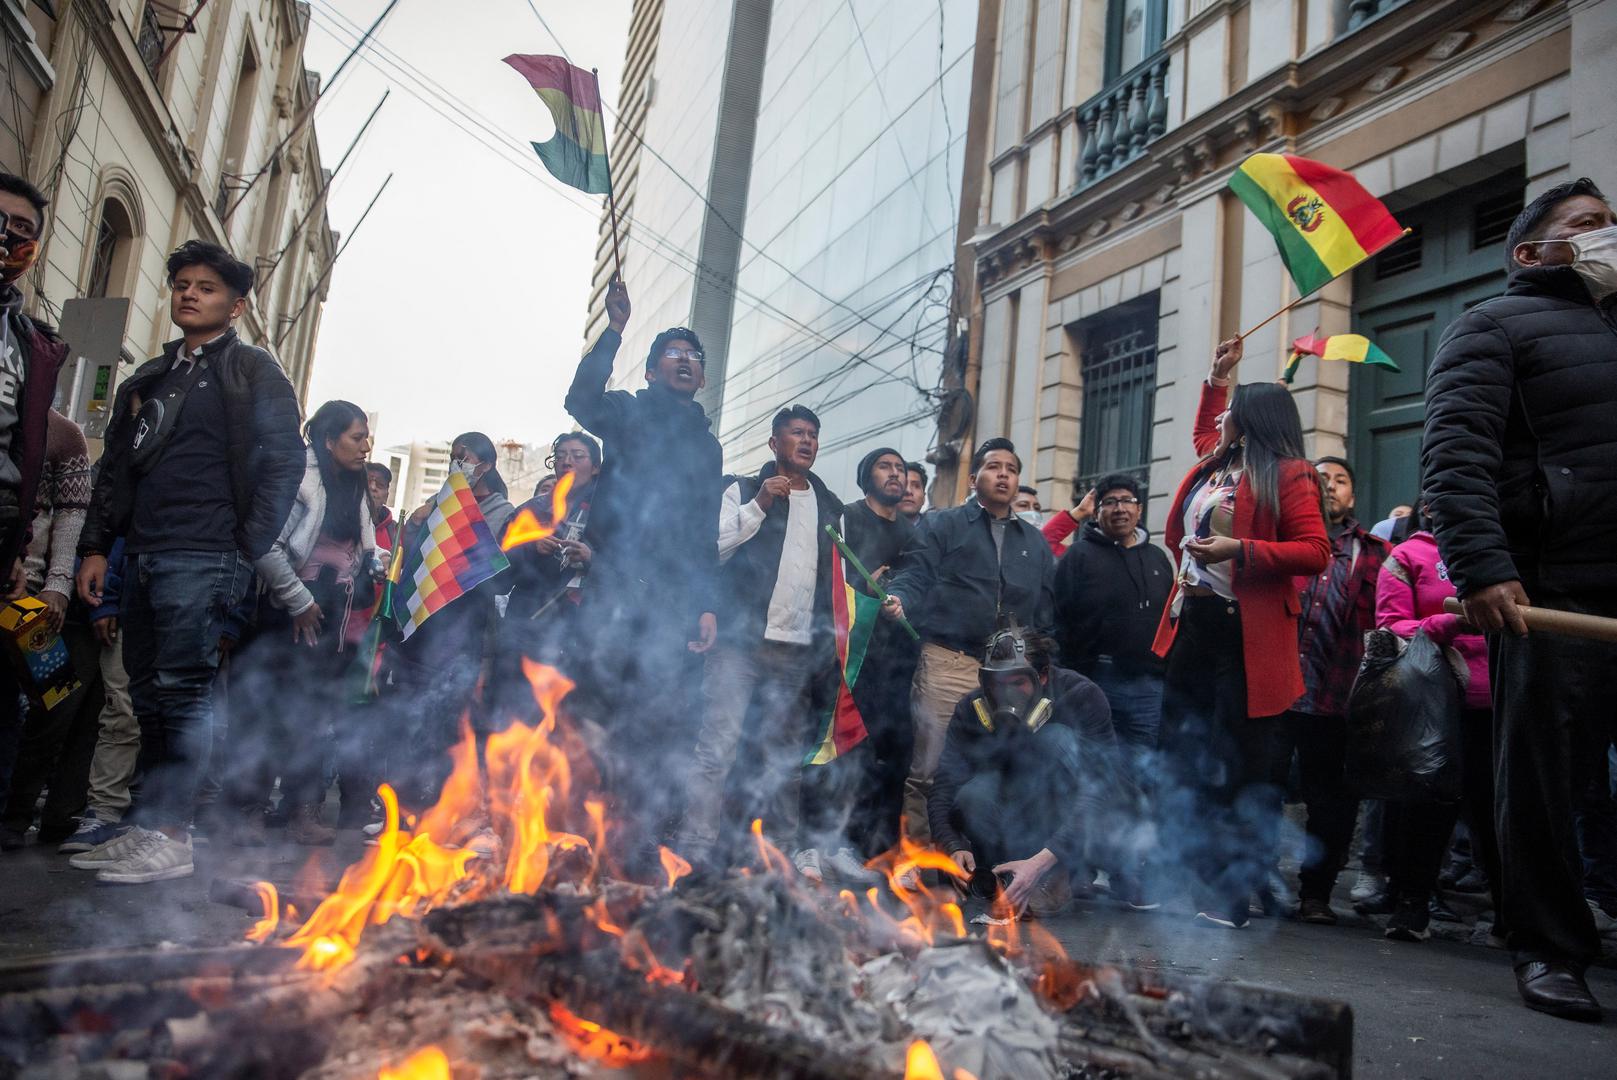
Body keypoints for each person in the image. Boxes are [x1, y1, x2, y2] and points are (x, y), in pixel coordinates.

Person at [1420, 177, 1617, 1021]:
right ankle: (1548, 947)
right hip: (1549, 591)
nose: (1609, 235)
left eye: (1612, 223)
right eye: (1589, 225)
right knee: (1542, 778)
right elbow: (1454, 457)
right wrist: (1482, 569)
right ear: (1531, 251)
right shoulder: (1490, 326)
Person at [71, 240, 303, 885]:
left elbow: (286, 460)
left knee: (184, 692)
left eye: (206, 286)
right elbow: (115, 471)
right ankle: (149, 821)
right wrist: (96, 547)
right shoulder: (148, 376)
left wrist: (247, 541)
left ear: (235, 304)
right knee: (147, 695)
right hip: (144, 550)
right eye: (181, 284)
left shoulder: (253, 370)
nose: (189, 294)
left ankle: (174, 833)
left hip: (206, 554)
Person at [1151, 338, 1329, 929]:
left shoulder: (1290, 473)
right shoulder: (1216, 463)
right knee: (1186, 760)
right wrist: (1216, 376)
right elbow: (1205, 429)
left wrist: (1240, 549)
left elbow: (1315, 552)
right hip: (1193, 629)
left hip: (1244, 640)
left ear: (1253, 423)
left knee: (1240, 768)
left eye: (1231, 412)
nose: (1221, 420)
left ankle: (1232, 896)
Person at [563, 280, 722, 870]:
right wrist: (615, 330)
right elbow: (580, 399)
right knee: (602, 712)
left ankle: (643, 844)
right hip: (615, 586)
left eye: (694, 359)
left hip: (675, 601)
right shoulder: (626, 414)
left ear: (701, 379)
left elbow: (706, 530)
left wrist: (706, 605)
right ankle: (582, 833)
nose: (686, 362)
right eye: (674, 356)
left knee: (665, 721)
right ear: (653, 371)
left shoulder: (709, 448)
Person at [677, 406, 841, 872]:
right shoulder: (744, 489)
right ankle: (696, 847)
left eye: (812, 434)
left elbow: (837, 577)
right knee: (718, 748)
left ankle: (779, 851)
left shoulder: (829, 505)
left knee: (784, 758)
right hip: (740, 643)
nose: (806, 441)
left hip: (795, 650)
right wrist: (761, 504)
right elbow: (715, 547)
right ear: (774, 444)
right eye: (796, 433)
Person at [883, 438, 1056, 842]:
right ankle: (922, 867)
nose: (1004, 476)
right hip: (950, 659)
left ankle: (980, 867)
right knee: (931, 766)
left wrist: (1045, 669)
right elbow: (916, 573)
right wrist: (901, 599)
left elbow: (1047, 613)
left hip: (1013, 674)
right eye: (994, 467)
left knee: (999, 769)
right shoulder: (943, 524)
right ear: (975, 476)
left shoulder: (1034, 543)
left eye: (1011, 470)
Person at [225, 401, 377, 847]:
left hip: (333, 615)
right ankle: (247, 811)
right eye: (356, 437)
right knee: (265, 715)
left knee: (312, 717)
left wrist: (377, 561)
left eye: (366, 437)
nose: (365, 446)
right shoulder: (299, 477)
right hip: (286, 614)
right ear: (328, 440)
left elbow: (359, 546)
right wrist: (298, 601)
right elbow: (265, 546)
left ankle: (303, 811)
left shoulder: (357, 486)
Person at [928, 626, 1130, 917]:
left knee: (1055, 739)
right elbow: (944, 786)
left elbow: (1100, 790)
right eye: (996, 683)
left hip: (1073, 823)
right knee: (974, 794)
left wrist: (1043, 860)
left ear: (1043, 676)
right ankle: (1003, 874)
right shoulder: (971, 708)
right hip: (1012, 810)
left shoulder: (1081, 696)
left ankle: (1058, 876)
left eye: (1017, 682)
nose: (1005, 694)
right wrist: (952, 846)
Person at [1374, 504, 1500, 943]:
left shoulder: (1502, 553)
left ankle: (1513, 918)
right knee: (1427, 807)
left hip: (1500, 703)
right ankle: (1411, 907)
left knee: (1498, 812)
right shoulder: (1408, 556)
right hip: (1435, 703)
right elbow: (1390, 627)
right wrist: (1448, 623)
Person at [1272, 456, 1387, 925]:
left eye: (1341, 480)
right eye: (1320, 479)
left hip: (1336, 698)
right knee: (1259, 791)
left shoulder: (1375, 553)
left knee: (1332, 803)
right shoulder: (1281, 543)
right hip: (1276, 693)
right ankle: (1252, 882)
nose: (1330, 486)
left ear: (1353, 497)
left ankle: (1315, 894)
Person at [0, 173, 72, 822]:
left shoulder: (31, 349)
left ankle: (18, 811)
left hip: (13, 578)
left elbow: (60, 498)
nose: (8, 237)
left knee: (52, 687)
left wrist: (49, 576)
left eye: (23, 230)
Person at [391, 432, 515, 804]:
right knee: (412, 717)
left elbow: (497, 572)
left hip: (464, 631)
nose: (457, 464)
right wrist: (417, 524)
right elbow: (413, 559)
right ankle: (402, 807)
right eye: (453, 457)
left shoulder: (501, 512)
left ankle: (440, 808)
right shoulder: (437, 503)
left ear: (486, 465)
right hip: (425, 629)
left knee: (448, 721)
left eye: (465, 458)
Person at [0, 410, 92, 848]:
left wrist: (57, 585)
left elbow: (73, 514)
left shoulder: (65, 434)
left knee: (53, 698)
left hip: (35, 600)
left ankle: (14, 819)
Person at [1051, 472, 1173, 775]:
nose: (1120, 508)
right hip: (1096, 682)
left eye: (1127, 501)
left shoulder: (1158, 558)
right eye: (1110, 502)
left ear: (1139, 509)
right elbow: (1057, 620)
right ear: (1097, 510)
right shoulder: (1078, 556)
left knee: (1143, 771)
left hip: (1149, 687)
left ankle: (1136, 823)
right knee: (1094, 770)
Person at [837, 447, 917, 861]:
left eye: (900, 469)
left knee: (896, 749)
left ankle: (881, 848)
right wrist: (862, 586)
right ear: (867, 475)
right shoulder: (846, 518)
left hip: (899, 660)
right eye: (885, 467)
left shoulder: (913, 530)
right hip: (855, 654)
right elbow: (831, 575)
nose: (895, 474)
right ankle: (843, 843)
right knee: (854, 750)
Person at [55, 539, 136, 853]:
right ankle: (104, 812)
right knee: (119, 712)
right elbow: (116, 539)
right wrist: (106, 603)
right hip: (129, 605)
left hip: (192, 606)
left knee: (177, 715)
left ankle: (163, 818)